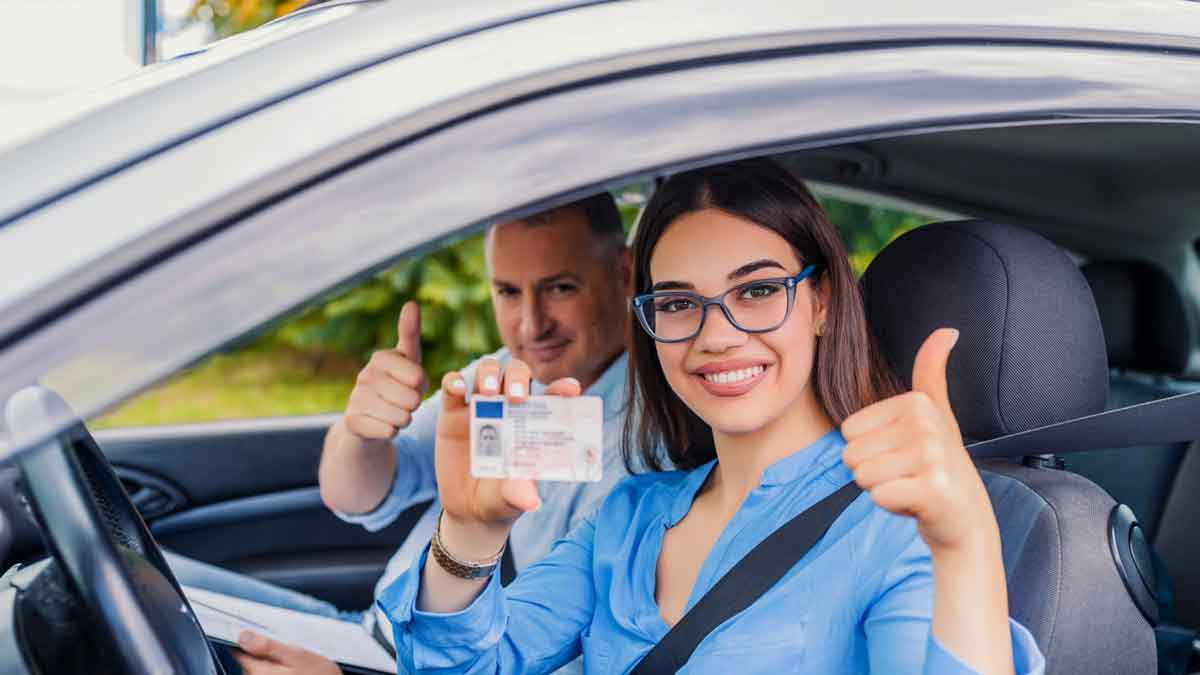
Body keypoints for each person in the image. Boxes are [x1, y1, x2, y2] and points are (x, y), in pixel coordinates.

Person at [376, 158, 1045, 674]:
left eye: (756, 290)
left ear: (820, 301)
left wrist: (966, 542)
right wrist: (467, 534)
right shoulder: (627, 518)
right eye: (676, 303)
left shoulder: (898, 529)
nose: (716, 335)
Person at [166, 193, 637, 673]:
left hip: (407, 665)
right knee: (148, 581)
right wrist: (362, 431)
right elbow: (356, 497)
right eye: (508, 293)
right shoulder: (500, 375)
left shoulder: (643, 450)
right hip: (366, 636)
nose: (532, 324)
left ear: (624, 272)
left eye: (560, 288)